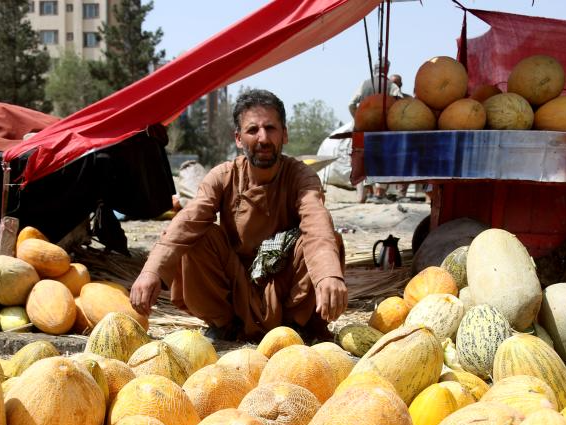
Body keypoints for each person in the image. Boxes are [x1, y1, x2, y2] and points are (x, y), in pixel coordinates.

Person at [130, 89, 348, 343]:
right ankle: (224, 326)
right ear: (238, 138)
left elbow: (316, 220)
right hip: (235, 290)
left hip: (285, 292)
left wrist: (328, 274)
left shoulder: (301, 177)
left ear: (284, 134)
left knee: (328, 240)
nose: (263, 138)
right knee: (197, 237)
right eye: (253, 130)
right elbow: (187, 221)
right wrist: (151, 272)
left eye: (270, 128)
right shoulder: (223, 177)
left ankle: (293, 329)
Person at [349, 59, 402, 203]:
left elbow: (351, 104)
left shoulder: (364, 84)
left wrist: (358, 119)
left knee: (362, 158)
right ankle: (379, 193)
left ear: (374, 69)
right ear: (387, 69)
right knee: (382, 159)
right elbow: (400, 102)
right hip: (382, 128)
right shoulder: (390, 85)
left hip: (363, 128)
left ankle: (362, 195)